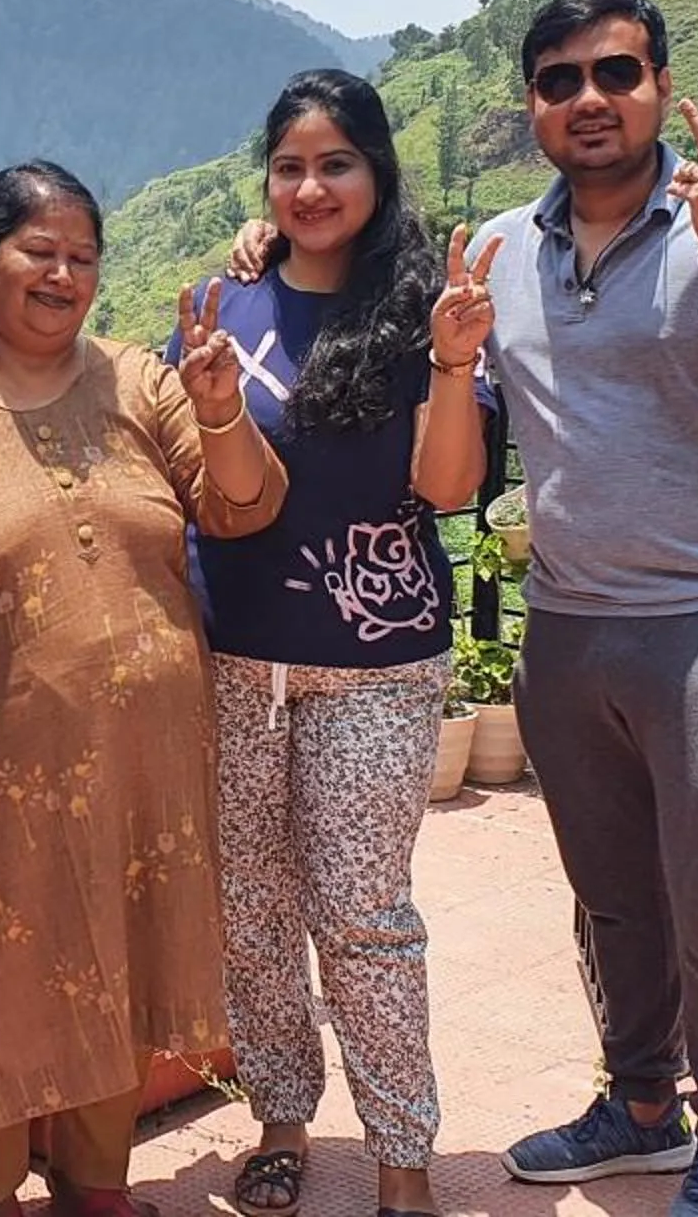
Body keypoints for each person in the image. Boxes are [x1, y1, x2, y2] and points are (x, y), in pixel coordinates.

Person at [477, 0, 698, 1217]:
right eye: (560, 81)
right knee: (615, 896)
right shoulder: (504, 249)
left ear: (660, 86)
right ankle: (642, 1107)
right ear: (533, 109)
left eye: (615, 73)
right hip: (568, 626)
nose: (589, 100)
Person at [0, 162, 287, 1217]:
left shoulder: (139, 377)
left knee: (115, 955)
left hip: (149, 749)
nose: (63, 273)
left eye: (84, 256)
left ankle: (97, 1184)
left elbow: (245, 506)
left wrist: (220, 409)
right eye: (40, 249)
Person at [183, 69, 497, 1217]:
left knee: (363, 910)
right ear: (266, 180)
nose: (312, 186)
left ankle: (402, 1156)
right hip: (237, 649)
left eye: (336, 163)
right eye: (290, 166)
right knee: (252, 906)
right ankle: (278, 1116)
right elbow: (211, 474)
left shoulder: (426, 306)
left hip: (379, 656)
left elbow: (449, 486)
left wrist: (457, 362)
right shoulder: (234, 297)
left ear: (377, 171)